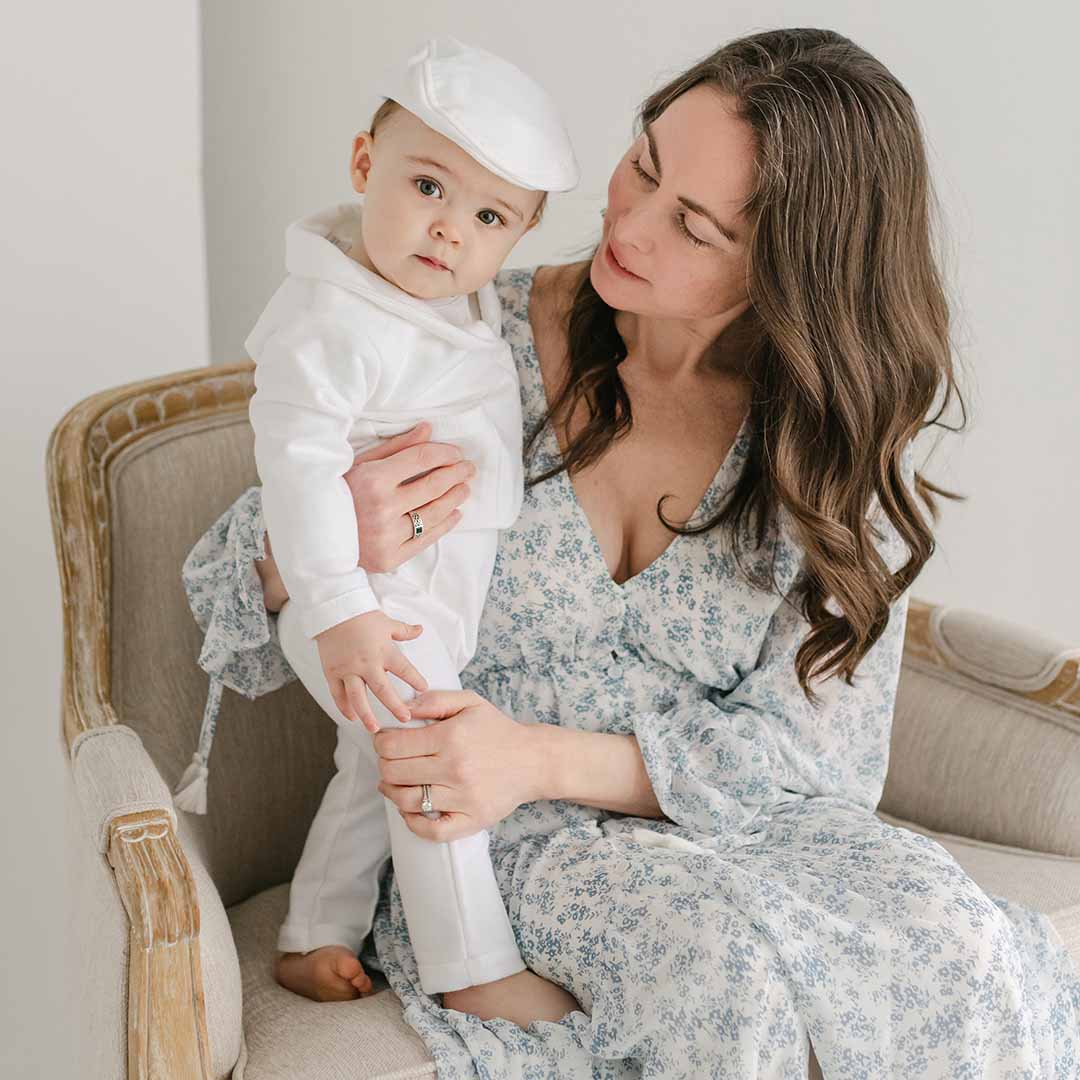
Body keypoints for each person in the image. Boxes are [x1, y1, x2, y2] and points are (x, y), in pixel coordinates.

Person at [185, 28, 1079, 1077]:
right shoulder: (461, 336)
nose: (629, 225)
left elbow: (821, 764)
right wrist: (329, 543)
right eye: (643, 164)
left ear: (785, 273)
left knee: (960, 952)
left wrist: (545, 755)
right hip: (495, 841)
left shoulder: (819, 443)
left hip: (755, 832)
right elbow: (226, 604)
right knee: (721, 977)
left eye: (692, 226)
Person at [181, 36, 582, 1024]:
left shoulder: (463, 309)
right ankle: (470, 964)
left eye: (488, 216)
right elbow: (301, 467)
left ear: (517, 235)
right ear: (366, 167)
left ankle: (316, 931)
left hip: (422, 612)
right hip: (361, 609)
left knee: (373, 762)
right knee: (424, 757)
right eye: (428, 187)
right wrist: (338, 605)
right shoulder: (331, 319)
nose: (449, 231)